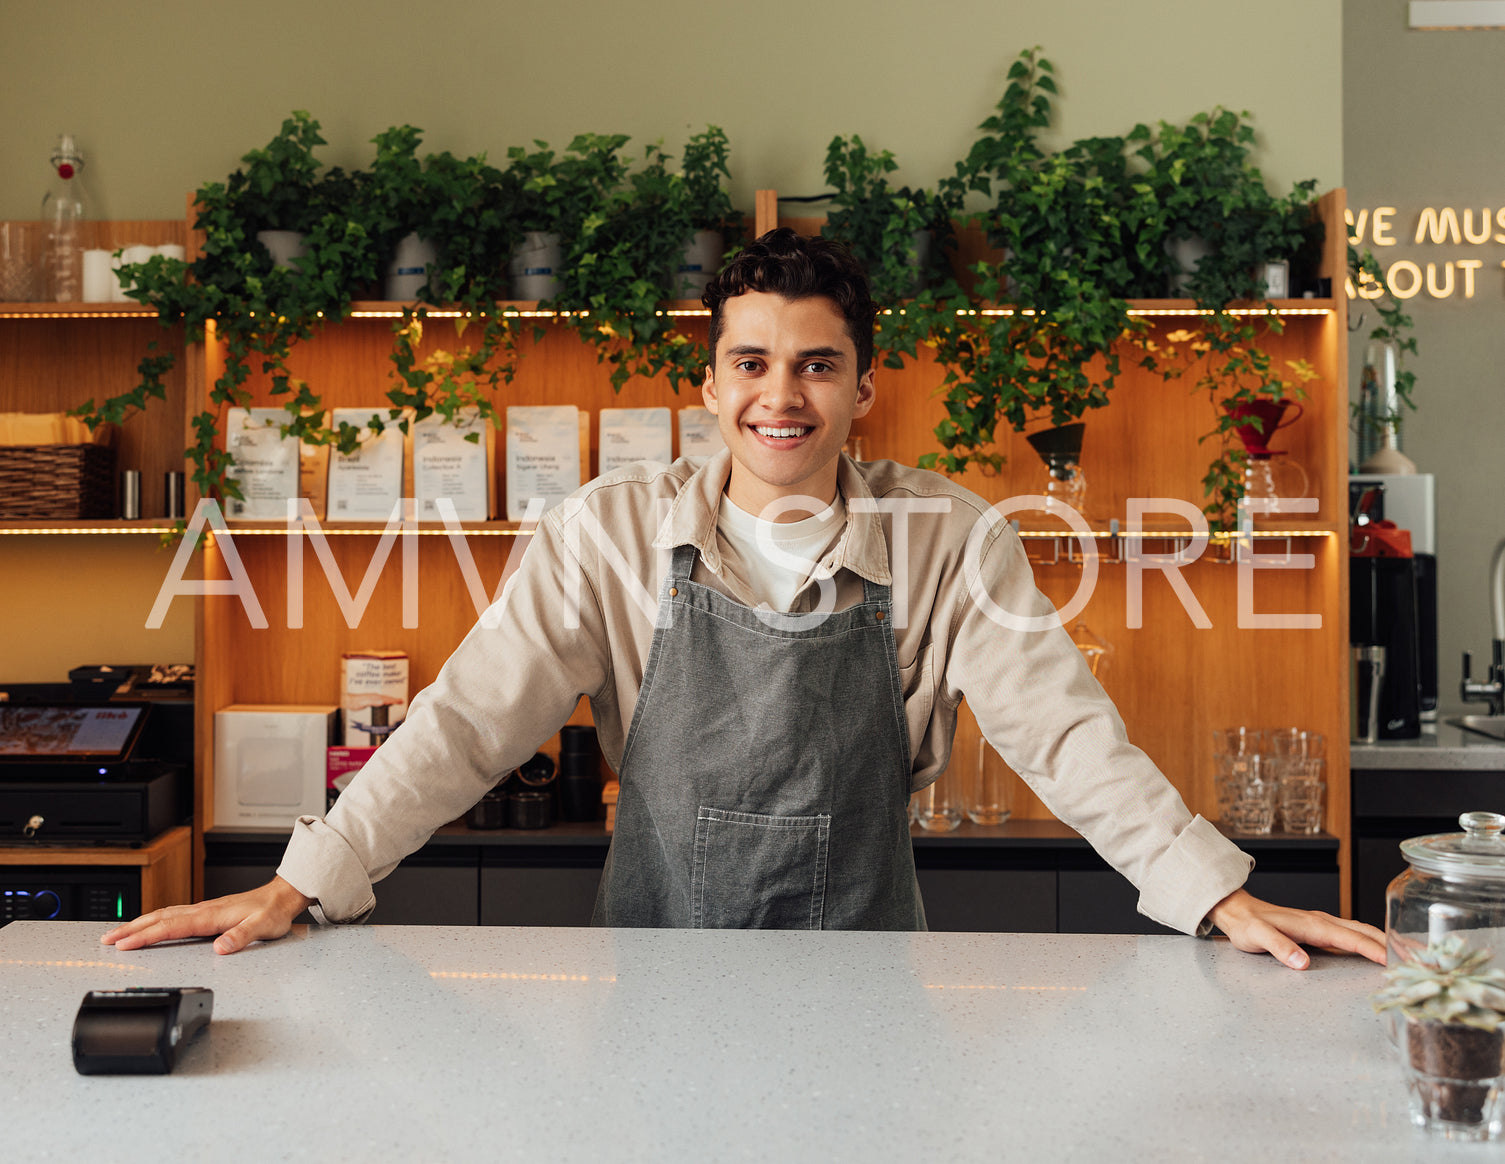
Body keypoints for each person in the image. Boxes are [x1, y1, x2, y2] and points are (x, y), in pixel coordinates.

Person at [104, 229, 1385, 967]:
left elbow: (1063, 733)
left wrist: (1213, 890)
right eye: (753, 362)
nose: (785, 394)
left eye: (817, 365)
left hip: (872, 972)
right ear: (710, 384)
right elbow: (465, 721)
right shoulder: (606, 530)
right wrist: (308, 878)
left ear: (862, 390)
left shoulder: (945, 535)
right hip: (654, 968)